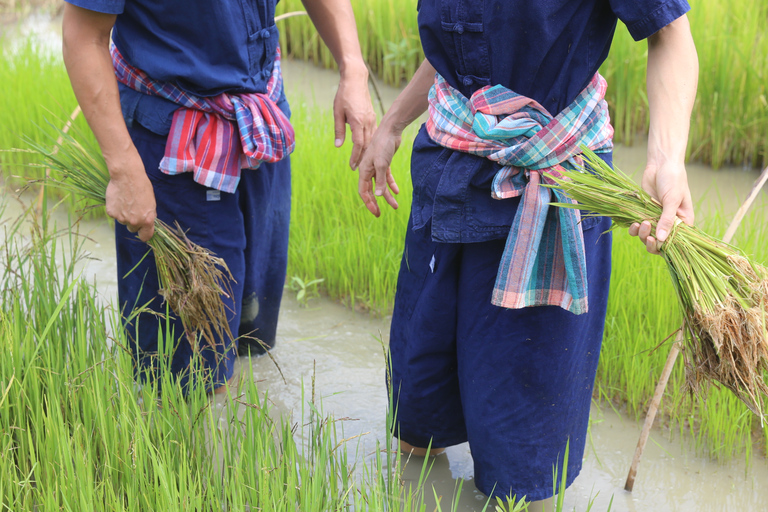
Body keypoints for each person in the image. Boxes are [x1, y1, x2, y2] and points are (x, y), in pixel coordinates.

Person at [358, 0, 697, 508]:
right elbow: (464, 51)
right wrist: (392, 123)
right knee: (418, 421)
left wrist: (667, 159)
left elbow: (669, 33)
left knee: (520, 471)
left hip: (548, 191)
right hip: (446, 172)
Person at [61, 0, 376, 394]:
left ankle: (245, 443)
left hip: (260, 125)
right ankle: (186, 448)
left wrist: (353, 67)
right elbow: (83, 36)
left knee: (251, 331)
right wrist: (124, 171)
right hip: (173, 147)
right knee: (186, 375)